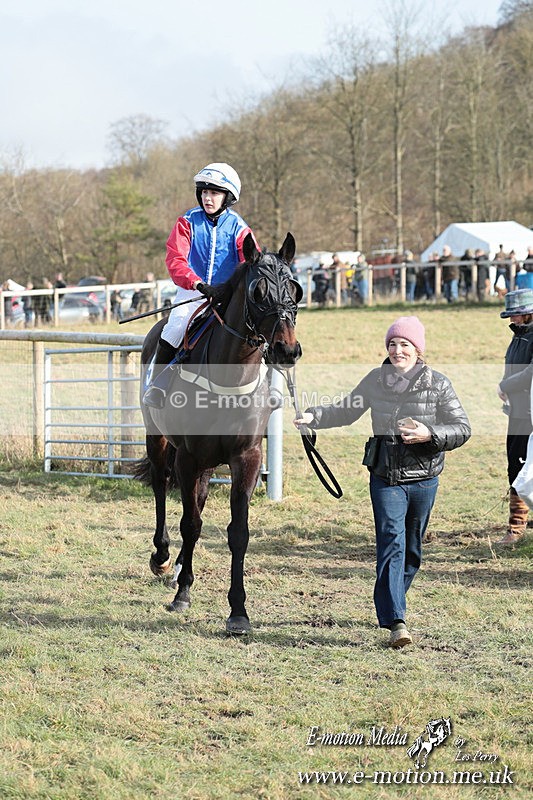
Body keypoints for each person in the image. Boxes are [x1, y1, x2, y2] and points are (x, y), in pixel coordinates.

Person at [294, 316, 471, 648]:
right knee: (392, 542)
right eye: (392, 344)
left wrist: (429, 434)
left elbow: (462, 427)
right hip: (385, 477)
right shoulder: (376, 380)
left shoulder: (438, 384)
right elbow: (347, 410)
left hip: (424, 478)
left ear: (418, 349)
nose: (397, 350)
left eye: (404, 344)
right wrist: (315, 415)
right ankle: (397, 622)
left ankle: (389, 601)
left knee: (412, 550)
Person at [143, 162, 256, 408]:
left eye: (214, 193)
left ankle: (264, 390)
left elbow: (251, 262)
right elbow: (176, 259)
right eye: (204, 192)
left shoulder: (239, 228)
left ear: (228, 197)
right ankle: (158, 385)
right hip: (193, 292)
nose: (207, 198)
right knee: (174, 327)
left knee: (258, 331)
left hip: (227, 297)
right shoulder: (187, 222)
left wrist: (234, 290)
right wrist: (198, 284)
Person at [497, 289, 533, 545]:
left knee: (524, 467)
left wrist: (505, 385)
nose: (513, 320)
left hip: (530, 415)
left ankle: (517, 528)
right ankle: (519, 523)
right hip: (518, 411)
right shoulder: (519, 336)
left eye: (516, 315)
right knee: (514, 465)